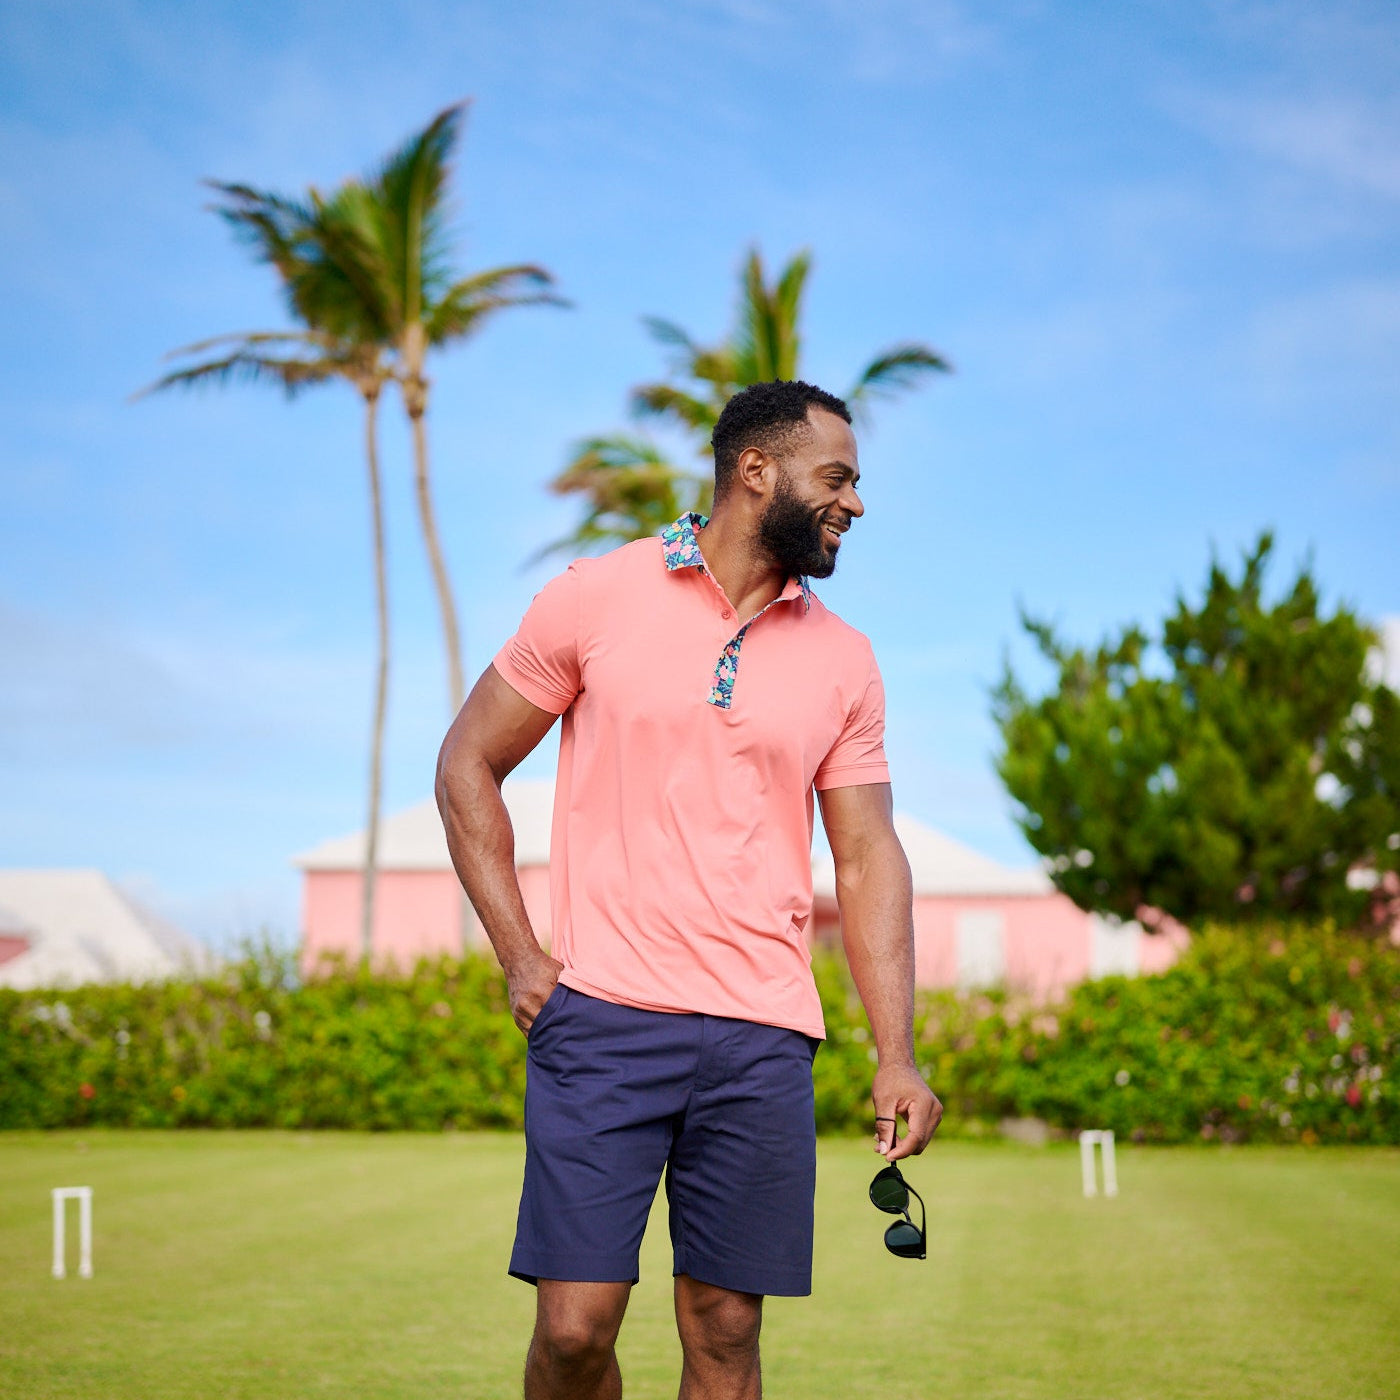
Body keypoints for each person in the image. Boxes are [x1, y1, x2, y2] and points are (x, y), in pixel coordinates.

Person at [436, 378, 942, 1400]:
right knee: (573, 1330)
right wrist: (522, 957)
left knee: (725, 1329)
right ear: (755, 471)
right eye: (836, 477)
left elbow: (867, 855)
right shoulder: (595, 594)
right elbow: (466, 763)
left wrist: (896, 1051)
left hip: (761, 1035)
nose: (854, 502)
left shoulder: (845, 659)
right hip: (602, 1017)